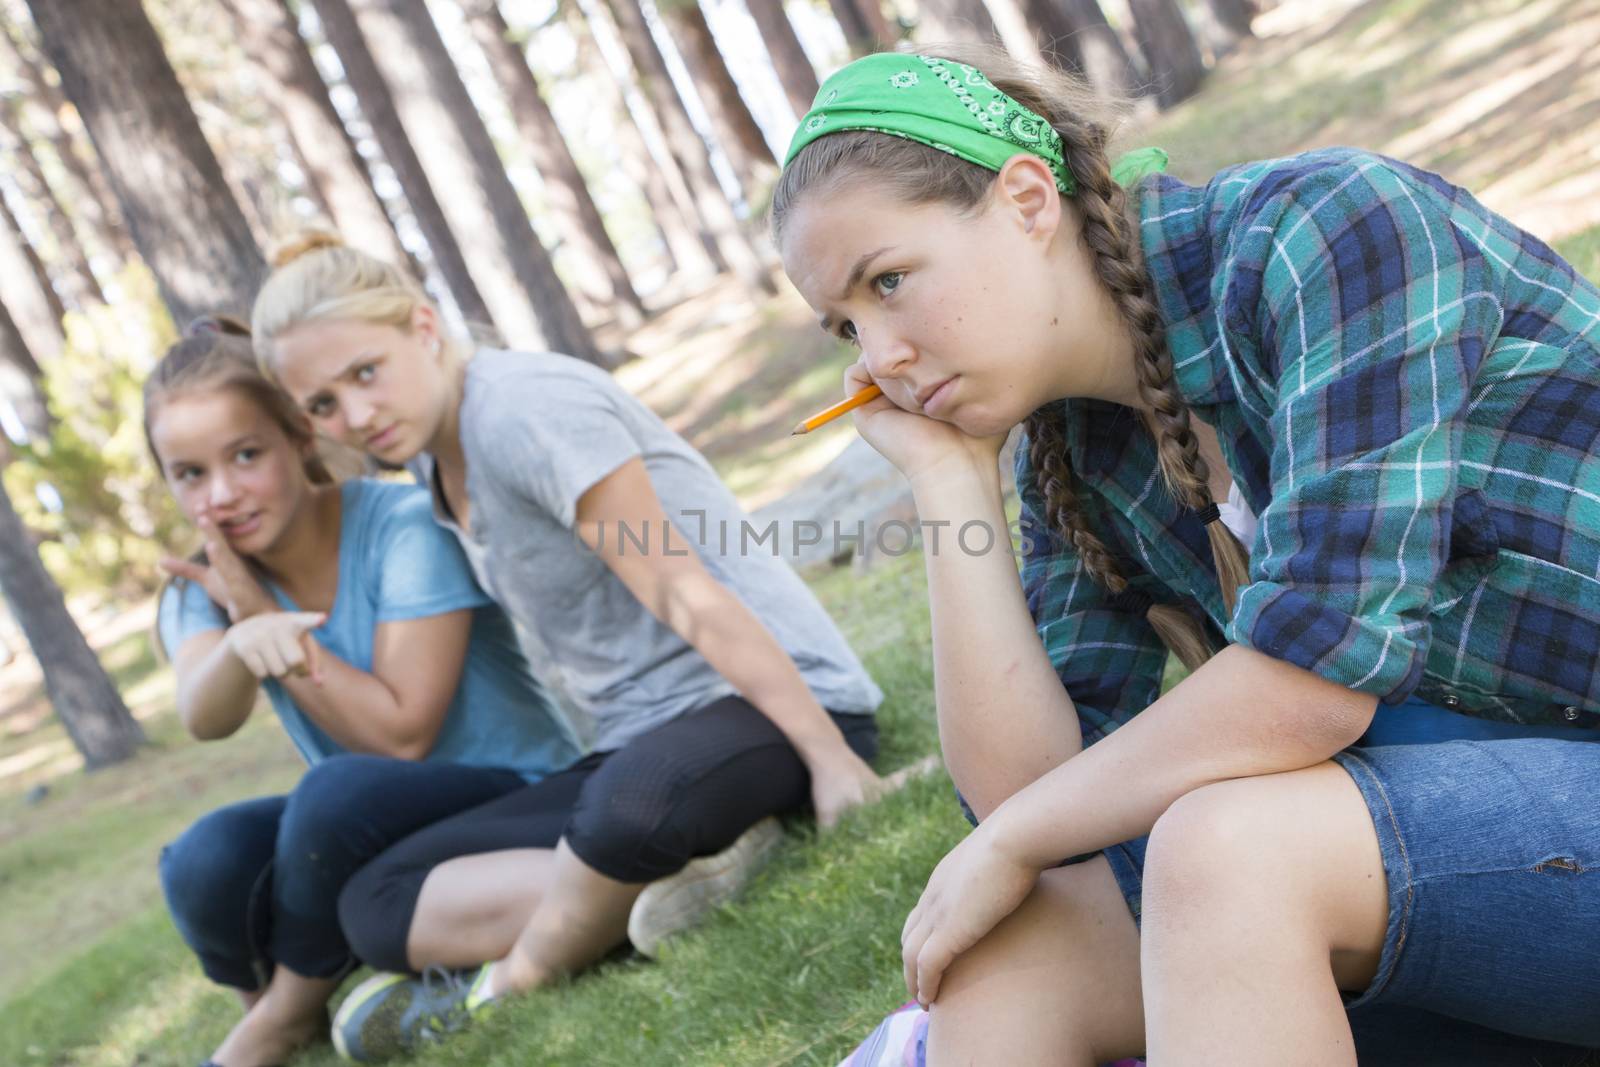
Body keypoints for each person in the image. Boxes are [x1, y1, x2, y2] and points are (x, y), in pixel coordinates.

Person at [773, 46, 1600, 1064]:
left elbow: (1312, 682)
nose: (880, 356)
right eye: (846, 324)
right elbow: (1036, 791)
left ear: (1029, 200)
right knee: (1007, 949)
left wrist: (1014, 836)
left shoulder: (1330, 231)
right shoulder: (1071, 449)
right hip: (1474, 861)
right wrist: (950, 485)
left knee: (1227, 852)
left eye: (889, 280)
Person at [249, 234, 888, 1059]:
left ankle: (517, 978)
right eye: (325, 405)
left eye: (365, 372)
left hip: (771, 702)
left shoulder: (522, 410)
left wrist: (832, 758)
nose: (357, 414)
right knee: (375, 902)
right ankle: (682, 873)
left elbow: (682, 591)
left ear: (423, 325)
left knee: (628, 806)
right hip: (638, 743)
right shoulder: (434, 465)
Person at [146, 316, 582, 1067]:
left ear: (301, 438)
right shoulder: (207, 579)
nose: (221, 495)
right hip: (373, 833)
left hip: (520, 796)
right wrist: (242, 636)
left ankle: (280, 1019)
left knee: (334, 794)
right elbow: (204, 714)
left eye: (246, 455)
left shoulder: (403, 525)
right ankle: (291, 1004)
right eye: (190, 474)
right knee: (204, 854)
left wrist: (267, 622)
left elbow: (402, 734)